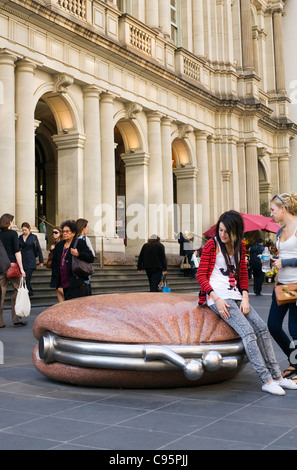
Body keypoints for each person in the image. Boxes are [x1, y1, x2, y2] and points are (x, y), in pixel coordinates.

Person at [197, 210, 297, 395]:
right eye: (220, 230)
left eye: (227, 231)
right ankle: (266, 380)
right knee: (248, 332)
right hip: (218, 297)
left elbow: (242, 273)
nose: (223, 235)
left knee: (262, 328)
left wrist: (245, 296)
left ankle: (277, 376)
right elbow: (201, 275)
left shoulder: (240, 246)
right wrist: (216, 299)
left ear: (236, 232)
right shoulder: (213, 245)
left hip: (235, 294)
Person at [268, 192, 297, 383]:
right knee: (273, 325)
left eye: (273, 210)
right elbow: (282, 255)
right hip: (281, 285)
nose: (271, 214)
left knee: (294, 330)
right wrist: (275, 263)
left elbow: (287, 258)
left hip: (296, 285)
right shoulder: (279, 231)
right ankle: (294, 360)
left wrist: (284, 262)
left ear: (283, 209)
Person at [50, 219, 95, 301]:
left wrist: (79, 254)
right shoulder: (59, 245)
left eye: (67, 231)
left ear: (73, 233)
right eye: (63, 231)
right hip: (61, 280)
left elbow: (91, 257)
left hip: (75, 281)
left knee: (73, 304)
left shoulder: (80, 243)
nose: (65, 233)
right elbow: (55, 263)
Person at [0, 213, 27, 327]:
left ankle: (0, 322)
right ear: (9, 222)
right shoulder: (13, 234)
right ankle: (16, 319)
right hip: (12, 266)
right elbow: (17, 252)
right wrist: (22, 268)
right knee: (18, 291)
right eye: (12, 221)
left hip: (1, 267)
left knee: (1, 294)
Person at [18, 222, 44, 297]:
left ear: (29, 229)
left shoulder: (33, 237)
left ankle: (29, 292)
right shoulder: (20, 237)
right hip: (22, 260)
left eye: (25, 230)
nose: (24, 232)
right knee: (23, 278)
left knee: (27, 278)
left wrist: (41, 260)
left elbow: (38, 248)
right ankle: (28, 292)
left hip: (31, 260)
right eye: (22, 230)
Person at [76, 218, 95, 295]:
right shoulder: (85, 239)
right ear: (82, 228)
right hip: (84, 267)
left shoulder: (73, 239)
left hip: (74, 267)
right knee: (85, 288)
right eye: (87, 227)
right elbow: (92, 254)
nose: (87, 229)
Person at [47, 226, 64, 303]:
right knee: (57, 288)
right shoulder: (54, 243)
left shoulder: (62, 243)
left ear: (60, 233)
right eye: (53, 232)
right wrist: (51, 250)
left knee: (61, 288)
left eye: (56, 232)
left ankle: (66, 303)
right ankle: (61, 305)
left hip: (61, 268)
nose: (54, 234)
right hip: (55, 268)